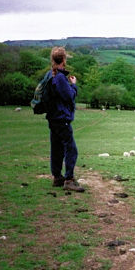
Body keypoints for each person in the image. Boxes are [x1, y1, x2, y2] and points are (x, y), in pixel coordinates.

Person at [46, 47, 84, 192]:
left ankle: (57, 177)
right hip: (62, 118)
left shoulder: (51, 75)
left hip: (53, 118)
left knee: (56, 147)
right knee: (71, 148)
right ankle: (68, 179)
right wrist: (74, 86)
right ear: (63, 60)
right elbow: (69, 96)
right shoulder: (60, 77)